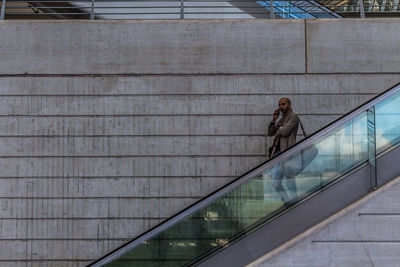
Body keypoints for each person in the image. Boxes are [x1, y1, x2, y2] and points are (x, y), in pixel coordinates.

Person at [267, 97, 299, 205]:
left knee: (289, 180)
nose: (281, 107)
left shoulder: (293, 116)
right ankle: (287, 201)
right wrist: (274, 120)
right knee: (276, 183)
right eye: (280, 105)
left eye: (283, 104)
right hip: (279, 154)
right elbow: (270, 133)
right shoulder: (281, 119)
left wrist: (280, 127)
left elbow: (285, 131)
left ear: (289, 105)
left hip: (288, 152)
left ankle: (294, 201)